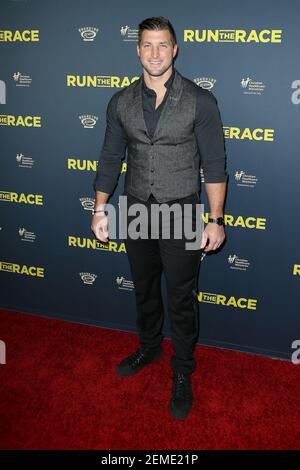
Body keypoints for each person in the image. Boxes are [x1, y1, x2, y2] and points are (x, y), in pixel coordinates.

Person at [91, 16, 227, 420]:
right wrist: (100, 208)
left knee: (182, 298)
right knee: (145, 289)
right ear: (137, 50)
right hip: (135, 208)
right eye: (147, 45)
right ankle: (149, 348)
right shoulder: (120, 101)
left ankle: (182, 370)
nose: (155, 53)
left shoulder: (201, 101)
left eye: (162, 45)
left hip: (182, 207)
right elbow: (111, 157)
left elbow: (215, 164)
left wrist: (215, 218)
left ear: (175, 49)